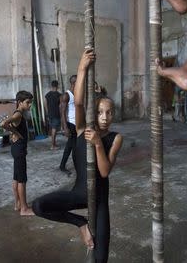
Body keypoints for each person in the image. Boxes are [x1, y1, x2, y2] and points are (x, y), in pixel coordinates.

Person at [32, 49, 123, 263]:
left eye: (109, 113)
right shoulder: (82, 129)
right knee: (38, 206)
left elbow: (104, 171)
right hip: (79, 193)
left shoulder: (115, 138)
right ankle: (80, 223)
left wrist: (98, 144)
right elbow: (79, 103)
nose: (105, 117)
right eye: (100, 112)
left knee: (101, 258)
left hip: (100, 200)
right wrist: (82, 68)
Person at [0, 90, 35, 216]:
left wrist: (14, 132)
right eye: (28, 102)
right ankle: (24, 209)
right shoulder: (18, 115)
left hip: (15, 148)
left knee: (16, 177)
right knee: (22, 179)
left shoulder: (18, 113)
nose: (30, 105)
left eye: (31, 102)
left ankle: (17, 204)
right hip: (19, 149)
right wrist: (16, 133)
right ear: (20, 102)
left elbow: (9, 125)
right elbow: (4, 123)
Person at [59, 75, 77, 176]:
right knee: (73, 146)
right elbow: (62, 112)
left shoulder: (77, 94)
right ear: (74, 83)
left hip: (76, 124)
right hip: (70, 124)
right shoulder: (67, 95)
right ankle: (76, 166)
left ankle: (62, 165)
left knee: (70, 146)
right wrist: (65, 128)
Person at [45, 80, 62, 150]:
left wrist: (47, 112)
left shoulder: (47, 94)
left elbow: (45, 104)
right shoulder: (59, 95)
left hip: (50, 114)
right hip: (56, 114)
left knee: (53, 128)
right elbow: (61, 106)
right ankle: (53, 145)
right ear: (57, 86)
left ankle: (54, 143)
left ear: (51, 86)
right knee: (54, 129)